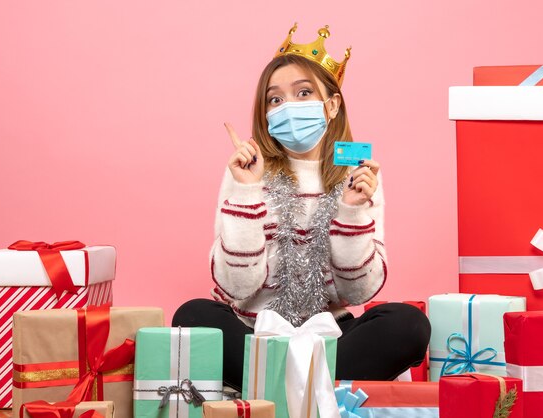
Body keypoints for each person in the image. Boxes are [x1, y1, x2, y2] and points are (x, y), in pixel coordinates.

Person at [173, 23, 430, 390]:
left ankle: (273, 388)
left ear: (332, 104)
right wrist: (246, 193)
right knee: (192, 316)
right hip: (253, 332)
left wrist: (353, 211)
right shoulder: (246, 170)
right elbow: (236, 285)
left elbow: (358, 294)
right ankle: (314, 389)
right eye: (275, 99)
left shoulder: (357, 175)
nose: (287, 107)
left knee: (409, 324)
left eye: (304, 93)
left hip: (330, 335)